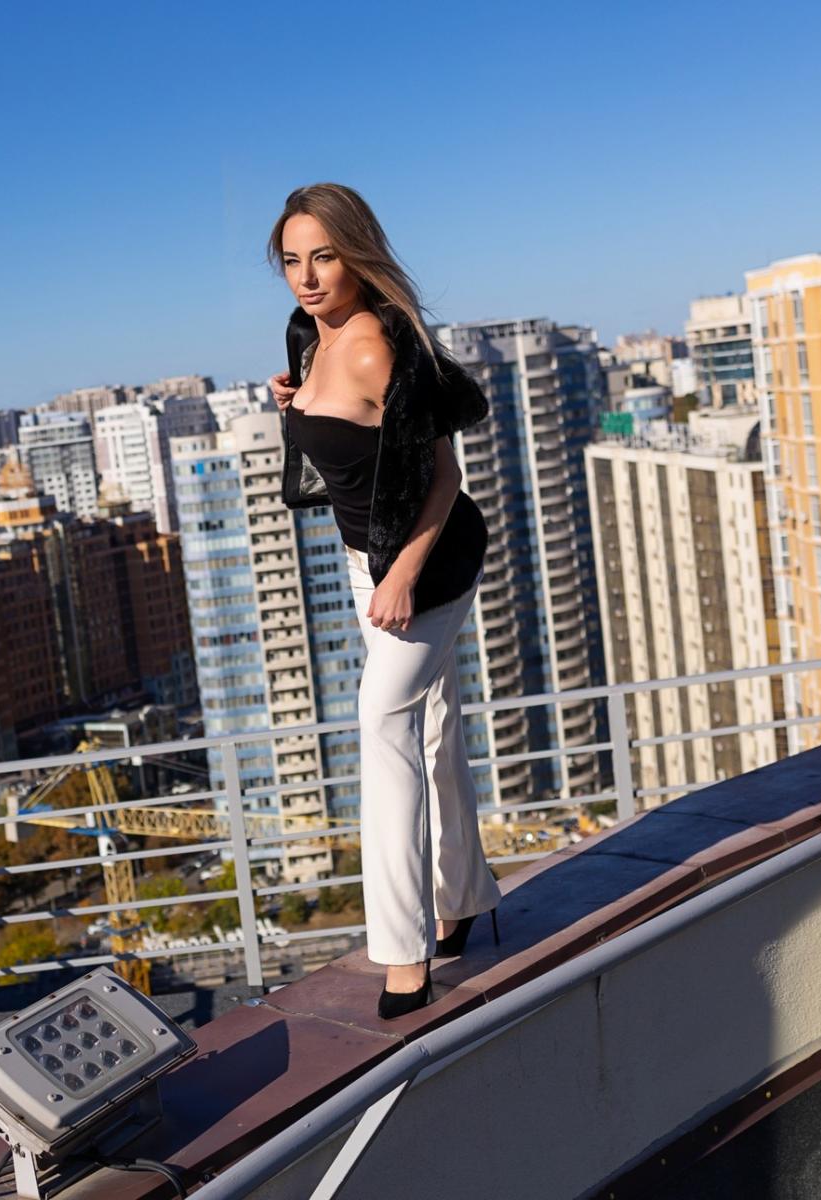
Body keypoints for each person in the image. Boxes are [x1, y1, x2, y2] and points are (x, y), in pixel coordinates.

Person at [265, 182, 503, 1020]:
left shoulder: (375, 347)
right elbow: (345, 437)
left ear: (357, 255)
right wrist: (295, 405)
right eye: (291, 260)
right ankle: (463, 896)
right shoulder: (310, 338)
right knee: (433, 726)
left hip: (428, 566)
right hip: (366, 562)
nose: (306, 277)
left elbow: (444, 478)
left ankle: (404, 956)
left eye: (323, 257)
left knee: (383, 727)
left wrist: (401, 575)